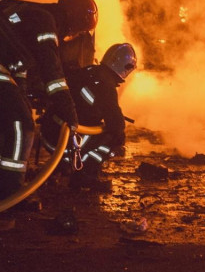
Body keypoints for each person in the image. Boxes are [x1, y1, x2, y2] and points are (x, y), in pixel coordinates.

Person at [0, 0, 97, 207]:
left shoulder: (35, 14)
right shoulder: (47, 23)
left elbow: (18, 66)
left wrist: (22, 98)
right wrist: (69, 112)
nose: (73, 36)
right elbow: (53, 74)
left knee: (0, 128)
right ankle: (13, 194)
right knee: (23, 125)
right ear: (74, 20)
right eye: (78, 31)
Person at [42, 42, 138, 191]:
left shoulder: (87, 71)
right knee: (116, 138)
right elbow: (116, 125)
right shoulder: (106, 86)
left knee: (94, 131)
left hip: (49, 135)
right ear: (126, 67)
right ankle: (84, 175)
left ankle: (63, 165)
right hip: (64, 141)